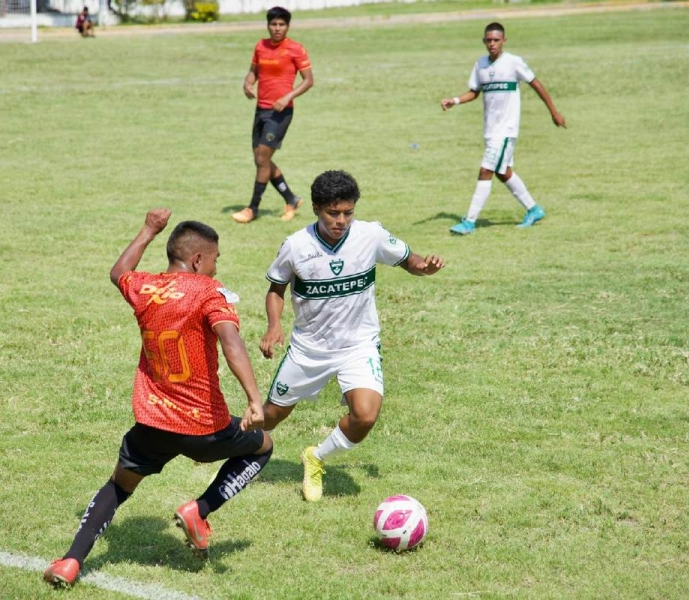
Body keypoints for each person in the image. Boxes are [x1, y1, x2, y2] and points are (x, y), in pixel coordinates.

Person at [44, 209, 273, 587]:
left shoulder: (145, 288)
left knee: (118, 487)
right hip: (203, 427)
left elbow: (119, 272)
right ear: (198, 259)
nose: (216, 268)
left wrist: (149, 229)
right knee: (262, 447)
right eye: (215, 259)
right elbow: (232, 344)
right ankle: (200, 510)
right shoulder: (208, 293)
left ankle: (70, 561)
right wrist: (253, 399)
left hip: (152, 422)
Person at [259, 170, 445, 502]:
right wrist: (274, 325)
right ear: (316, 208)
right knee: (268, 417)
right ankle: (226, 453)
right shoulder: (296, 245)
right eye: (333, 213)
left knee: (365, 415)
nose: (341, 220)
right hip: (309, 349)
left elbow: (409, 260)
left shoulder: (370, 235)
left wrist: (424, 267)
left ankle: (316, 457)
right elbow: (276, 289)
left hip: (358, 345)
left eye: (348, 212)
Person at [441, 22, 566, 235]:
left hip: (506, 130)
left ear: (504, 41)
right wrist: (455, 100)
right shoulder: (480, 65)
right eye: (488, 40)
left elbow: (536, 84)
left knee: (486, 170)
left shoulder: (513, 63)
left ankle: (469, 221)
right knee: (503, 172)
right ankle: (534, 209)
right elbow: (474, 91)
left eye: (496, 40)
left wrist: (553, 111)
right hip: (490, 131)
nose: (492, 44)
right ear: (484, 41)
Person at [232, 6, 313, 224]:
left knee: (262, 159)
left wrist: (287, 97)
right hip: (261, 110)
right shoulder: (261, 46)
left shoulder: (296, 49)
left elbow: (308, 81)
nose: (277, 28)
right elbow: (253, 72)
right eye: (274, 24)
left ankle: (252, 209)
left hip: (281, 112)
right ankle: (291, 199)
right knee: (262, 160)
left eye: (281, 24)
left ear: (287, 26)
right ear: (268, 25)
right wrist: (247, 83)